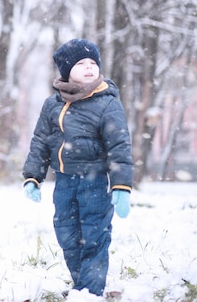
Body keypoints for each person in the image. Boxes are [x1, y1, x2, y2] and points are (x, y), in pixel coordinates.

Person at [22, 38, 133, 299]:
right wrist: (32, 177)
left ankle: (90, 292)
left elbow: (120, 145)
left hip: (94, 182)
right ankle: (80, 286)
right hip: (64, 181)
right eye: (80, 63)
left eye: (93, 62)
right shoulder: (53, 104)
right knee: (68, 235)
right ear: (66, 70)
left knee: (94, 235)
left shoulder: (107, 102)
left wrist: (122, 185)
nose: (88, 67)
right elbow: (40, 141)